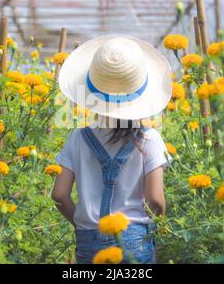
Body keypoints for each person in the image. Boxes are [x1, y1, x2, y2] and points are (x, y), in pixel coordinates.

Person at [51, 36, 172, 264]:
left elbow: (59, 195)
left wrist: (82, 223)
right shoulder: (150, 139)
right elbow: (155, 200)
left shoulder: (77, 138)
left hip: (89, 241)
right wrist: (161, 227)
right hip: (135, 240)